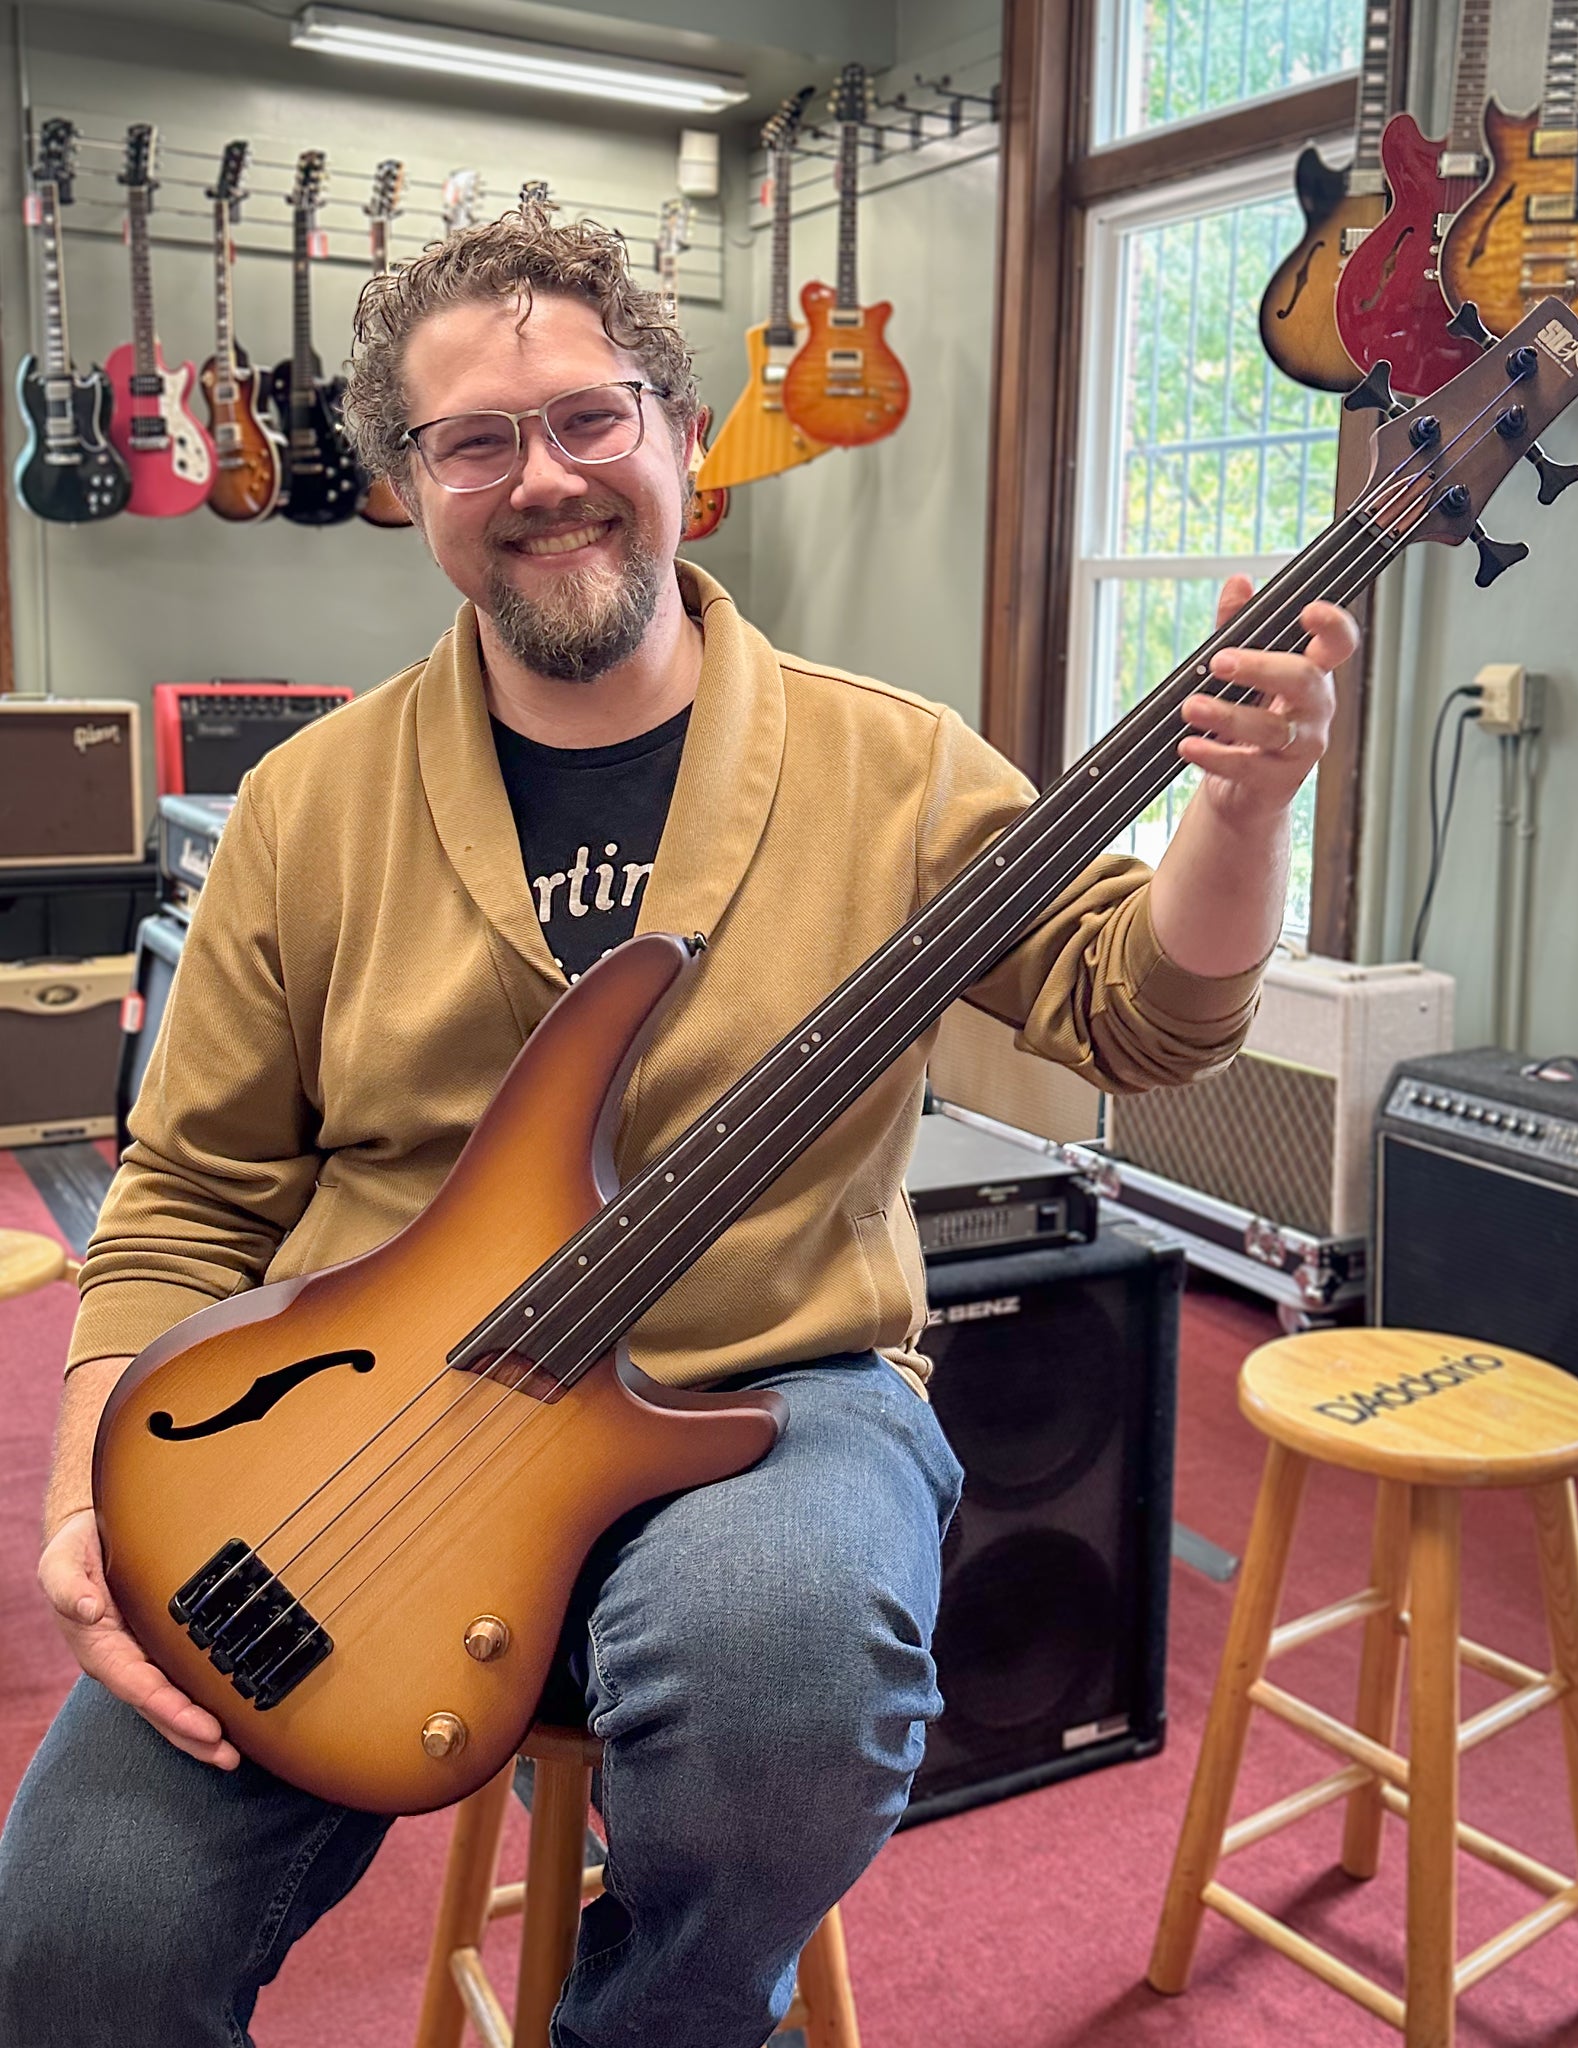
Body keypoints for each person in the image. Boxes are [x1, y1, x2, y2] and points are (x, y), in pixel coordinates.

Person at [0, 205, 1352, 2048]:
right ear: (409, 485)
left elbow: (1138, 1013)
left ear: (676, 437)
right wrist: (87, 1475)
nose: (541, 479)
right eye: (474, 440)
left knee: (785, 1697)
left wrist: (1244, 813)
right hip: (347, 1414)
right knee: (75, 1943)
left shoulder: (892, 764)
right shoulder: (307, 808)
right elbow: (186, 1192)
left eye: (586, 418)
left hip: (770, 1390)